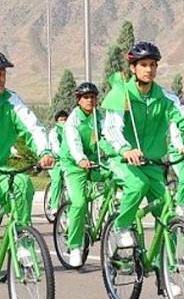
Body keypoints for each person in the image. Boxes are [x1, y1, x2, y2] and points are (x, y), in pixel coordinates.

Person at [102, 42, 184, 252]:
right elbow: (112, 128)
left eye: (153, 64)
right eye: (143, 65)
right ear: (133, 68)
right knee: (138, 184)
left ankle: (166, 273)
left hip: (152, 162)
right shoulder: (121, 94)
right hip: (121, 159)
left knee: (167, 214)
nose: (149, 69)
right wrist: (125, 149)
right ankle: (121, 227)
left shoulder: (166, 98)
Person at [59, 82, 112, 268]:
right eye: (86, 97)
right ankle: (74, 247)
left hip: (93, 160)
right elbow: (74, 142)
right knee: (79, 203)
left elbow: (106, 137)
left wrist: (115, 155)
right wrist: (80, 159)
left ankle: (109, 218)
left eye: (93, 97)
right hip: (74, 164)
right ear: (79, 100)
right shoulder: (73, 119)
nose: (90, 100)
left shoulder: (100, 117)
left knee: (113, 178)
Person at [0, 52, 55, 229]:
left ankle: (22, 241)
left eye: (3, 74)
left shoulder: (11, 101)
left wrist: (44, 151)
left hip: (1, 170)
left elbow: (33, 127)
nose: (2, 79)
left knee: (23, 184)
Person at [47, 109, 68, 216]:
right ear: (56, 121)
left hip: (67, 160)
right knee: (57, 180)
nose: (63, 121)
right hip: (55, 160)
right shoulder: (54, 132)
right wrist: (63, 155)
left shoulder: (70, 130)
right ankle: (54, 206)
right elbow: (55, 147)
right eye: (61, 119)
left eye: (65, 119)